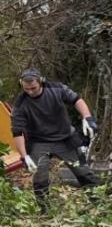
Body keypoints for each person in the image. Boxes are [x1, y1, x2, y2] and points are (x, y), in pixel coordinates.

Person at [11, 68, 98, 208]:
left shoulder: (56, 89)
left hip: (65, 138)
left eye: (33, 88)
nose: (30, 92)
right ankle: (45, 209)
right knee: (40, 178)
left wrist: (87, 118)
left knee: (83, 172)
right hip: (40, 142)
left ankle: (98, 201)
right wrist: (24, 156)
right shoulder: (20, 104)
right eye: (26, 89)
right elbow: (17, 132)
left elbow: (77, 100)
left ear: (41, 82)